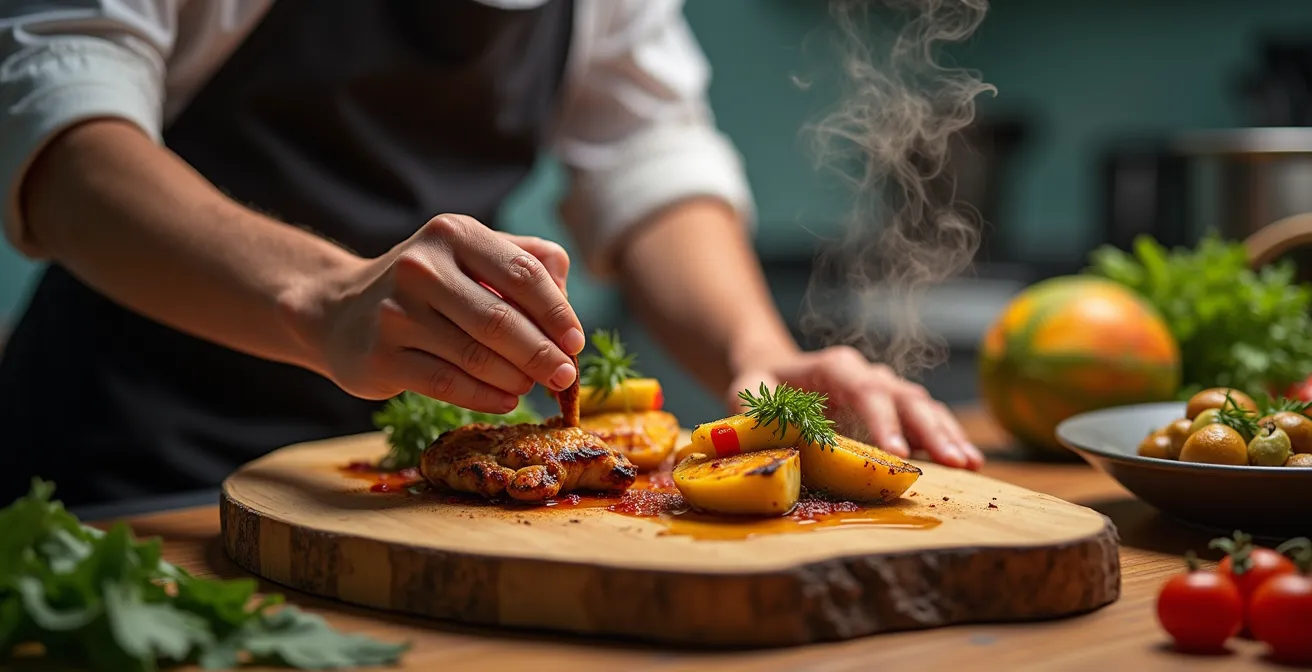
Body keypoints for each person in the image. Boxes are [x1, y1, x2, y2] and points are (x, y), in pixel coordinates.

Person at [0, 0, 984, 508]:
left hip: (397, 489)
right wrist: (324, 297)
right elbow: (59, 125)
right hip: (132, 472)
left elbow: (647, 150)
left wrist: (753, 359)